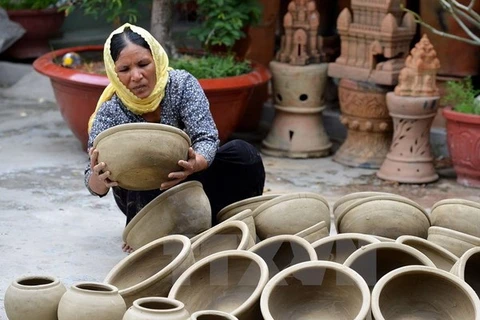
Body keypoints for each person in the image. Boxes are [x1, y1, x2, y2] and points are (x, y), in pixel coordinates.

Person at [84, 23, 265, 252]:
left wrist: (195, 163)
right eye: (125, 69)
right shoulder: (111, 111)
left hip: (191, 174)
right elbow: (92, 182)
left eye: (143, 64)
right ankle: (149, 231)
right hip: (147, 194)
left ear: (157, 60)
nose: (137, 76)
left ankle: (227, 219)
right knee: (144, 170)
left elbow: (207, 137)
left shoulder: (181, 85)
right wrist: (99, 179)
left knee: (242, 154)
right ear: (114, 73)